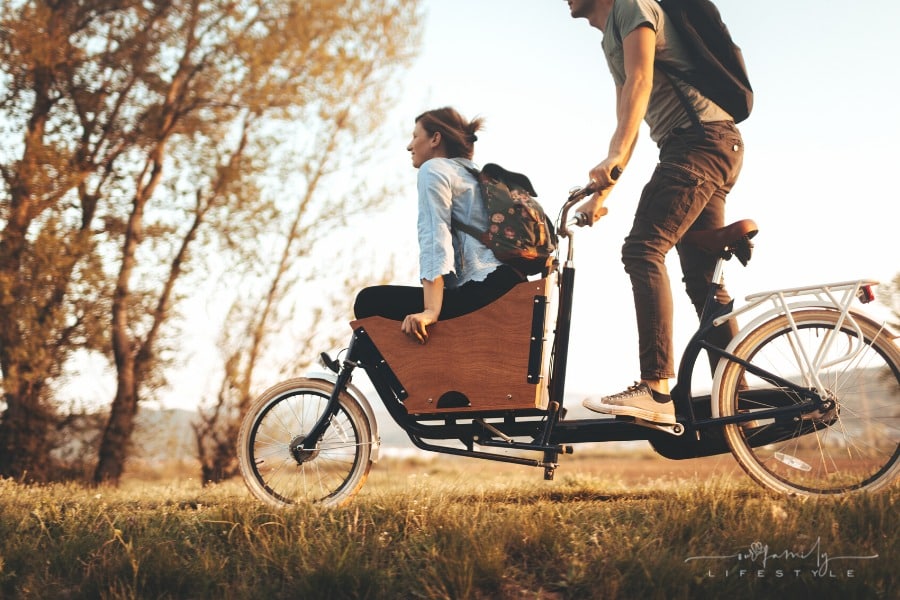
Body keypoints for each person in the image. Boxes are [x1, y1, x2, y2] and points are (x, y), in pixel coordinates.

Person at [565, 0, 745, 424]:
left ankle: (655, 389)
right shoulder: (612, 34)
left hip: (699, 142)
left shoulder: (632, 6)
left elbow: (641, 80)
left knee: (643, 250)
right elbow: (628, 107)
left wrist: (613, 157)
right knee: (702, 284)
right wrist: (603, 194)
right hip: (706, 145)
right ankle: (738, 404)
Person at [353, 107, 524, 343]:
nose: (409, 145)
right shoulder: (475, 173)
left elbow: (435, 237)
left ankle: (407, 380)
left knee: (368, 302)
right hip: (511, 285)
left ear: (435, 139)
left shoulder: (434, 169)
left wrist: (430, 311)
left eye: (415, 136)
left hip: (483, 287)